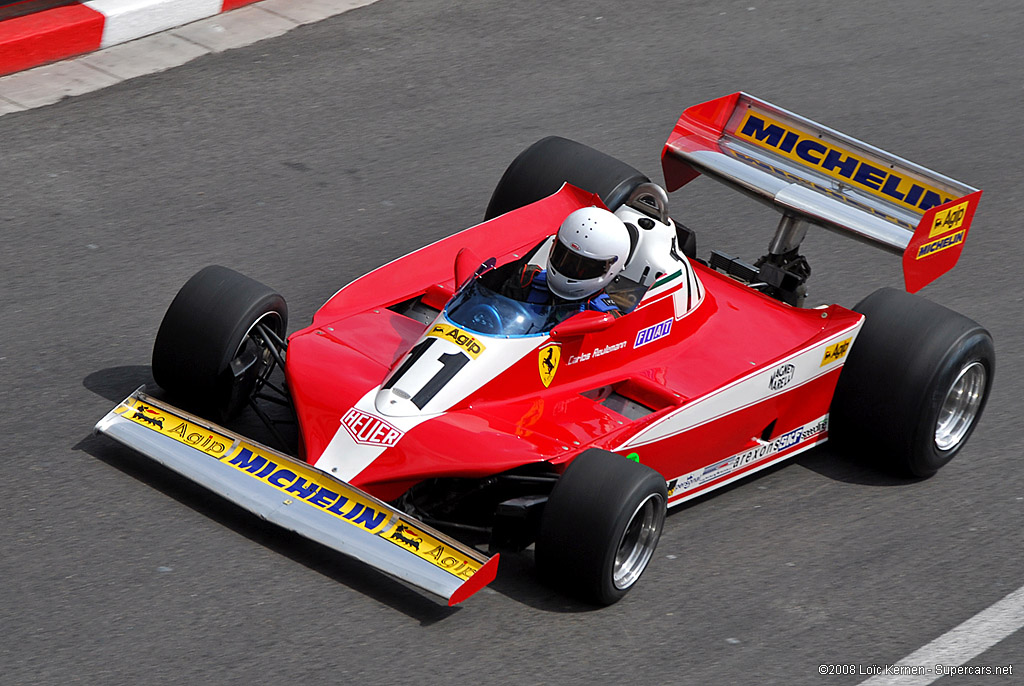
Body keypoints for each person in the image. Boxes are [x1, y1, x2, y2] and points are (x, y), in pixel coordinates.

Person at [500, 206, 632, 313]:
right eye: (564, 257)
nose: (570, 268)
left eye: (585, 266)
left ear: (610, 269)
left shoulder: (604, 318)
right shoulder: (526, 280)